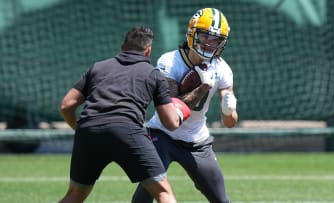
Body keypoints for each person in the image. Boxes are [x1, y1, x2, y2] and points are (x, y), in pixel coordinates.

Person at [58, 26, 191, 203]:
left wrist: (80, 128)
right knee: (162, 192)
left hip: (89, 131)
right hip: (127, 131)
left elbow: (66, 105)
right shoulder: (153, 74)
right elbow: (170, 123)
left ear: (122, 47)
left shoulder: (98, 67)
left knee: (75, 194)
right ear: (148, 51)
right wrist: (180, 111)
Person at [132, 8, 238, 203]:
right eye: (205, 36)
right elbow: (169, 108)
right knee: (146, 192)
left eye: (215, 39)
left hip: (197, 140)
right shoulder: (169, 61)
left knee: (221, 199)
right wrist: (203, 87)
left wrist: (228, 109)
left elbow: (229, 123)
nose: (209, 43)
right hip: (162, 134)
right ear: (192, 33)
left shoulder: (222, 68)